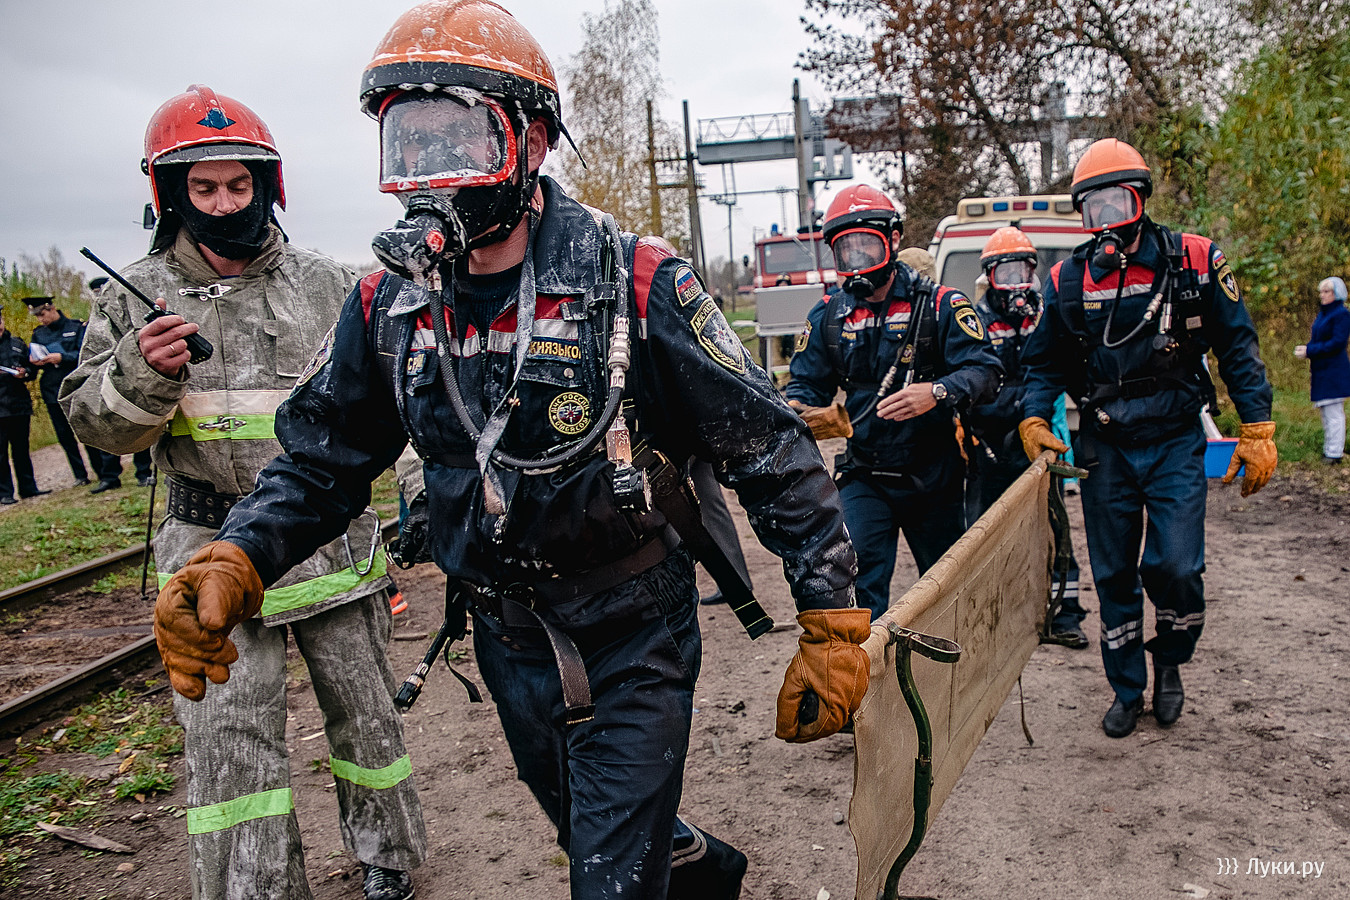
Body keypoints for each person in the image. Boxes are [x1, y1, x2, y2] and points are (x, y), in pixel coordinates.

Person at [148, 5, 867, 900]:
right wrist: (238, 555)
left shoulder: (633, 279)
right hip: (504, 631)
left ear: (528, 142)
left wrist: (833, 617)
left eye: (458, 138)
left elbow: (768, 448)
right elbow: (320, 461)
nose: (431, 173)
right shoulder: (386, 306)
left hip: (633, 622)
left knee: (607, 873)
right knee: (586, 824)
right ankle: (697, 869)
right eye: (409, 143)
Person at [60, 85, 425, 900]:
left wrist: (420, 495)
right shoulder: (130, 299)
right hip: (204, 557)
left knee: (368, 721)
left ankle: (390, 859)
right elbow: (98, 429)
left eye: (238, 184)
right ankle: (255, 888)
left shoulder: (333, 285)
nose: (225, 203)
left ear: (267, 184)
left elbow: (398, 402)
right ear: (171, 193)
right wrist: (141, 374)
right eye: (204, 187)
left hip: (327, 548)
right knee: (228, 746)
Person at [1019, 138, 1277, 738]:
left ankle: (1170, 662)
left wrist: (1257, 425)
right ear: (1082, 215)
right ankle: (1127, 690)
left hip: (1175, 440)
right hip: (1105, 445)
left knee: (1177, 567)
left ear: (1141, 200)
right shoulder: (1066, 280)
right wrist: (1034, 417)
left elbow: (1238, 346)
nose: (1107, 218)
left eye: (1119, 202)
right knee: (1113, 575)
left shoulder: (1194, 260)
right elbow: (1042, 365)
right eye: (1094, 208)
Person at [786, 184, 1003, 619]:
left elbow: (987, 373)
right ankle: (866, 663)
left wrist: (937, 392)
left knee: (947, 588)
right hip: (865, 473)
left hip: (935, 476)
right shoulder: (829, 315)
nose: (857, 260)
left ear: (894, 240)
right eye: (846, 250)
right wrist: (802, 411)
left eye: (867, 245)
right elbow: (805, 386)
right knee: (853, 579)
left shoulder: (942, 306)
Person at [964, 228, 1088, 648]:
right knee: (984, 535)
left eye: (1023, 270)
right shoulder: (975, 324)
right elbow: (975, 382)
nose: (1016, 283)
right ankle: (990, 620)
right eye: (1006, 273)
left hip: (1038, 444)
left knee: (1054, 530)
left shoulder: (1046, 317)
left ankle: (1064, 614)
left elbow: (1058, 370)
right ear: (989, 277)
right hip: (989, 448)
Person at [21, 295, 100, 488]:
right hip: (52, 390)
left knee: (88, 431)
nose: (40, 319)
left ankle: (103, 471)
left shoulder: (76, 327)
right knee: (64, 436)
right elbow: (34, 361)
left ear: (52, 308)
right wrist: (33, 364)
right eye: (37, 316)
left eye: (42, 314)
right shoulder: (39, 334)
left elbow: (85, 355)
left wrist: (62, 358)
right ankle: (80, 475)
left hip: (76, 388)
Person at [1295, 276, 1350, 464]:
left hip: (1334, 371)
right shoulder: (1323, 314)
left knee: (1334, 413)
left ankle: (1335, 453)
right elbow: (1319, 339)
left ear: (1337, 293)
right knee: (1326, 412)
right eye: (1321, 292)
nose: (1322, 295)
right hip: (1321, 370)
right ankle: (1329, 449)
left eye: (1327, 291)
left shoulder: (1341, 314)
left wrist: (1310, 350)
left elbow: (1337, 343)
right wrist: (1308, 349)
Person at [0, 307, 50, 504]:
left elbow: (32, 370)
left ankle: (28, 488)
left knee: (21, 450)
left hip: (19, 406)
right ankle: (5, 493)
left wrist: (25, 373)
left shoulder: (17, 344)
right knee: (1, 454)